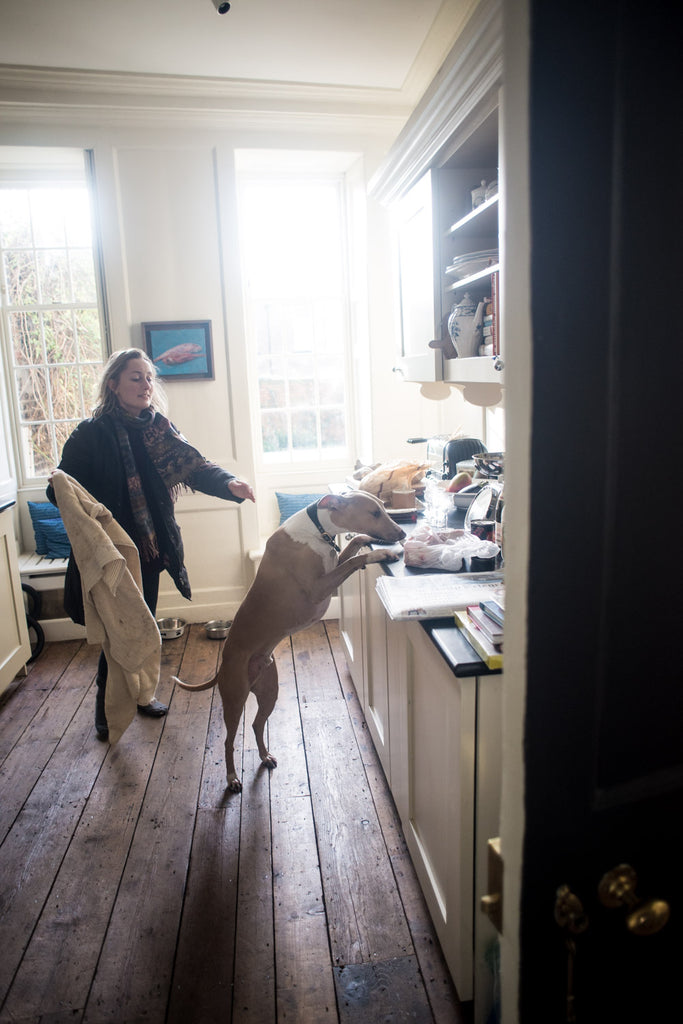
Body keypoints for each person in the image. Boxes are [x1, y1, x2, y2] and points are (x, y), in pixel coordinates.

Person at [47, 347, 255, 740]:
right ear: (114, 384)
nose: (145, 385)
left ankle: (142, 697)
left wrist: (230, 484)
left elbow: (196, 466)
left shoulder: (159, 429)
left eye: (148, 377)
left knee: (143, 628)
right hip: (110, 552)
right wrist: (56, 482)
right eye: (135, 377)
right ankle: (107, 709)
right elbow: (63, 488)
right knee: (116, 635)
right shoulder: (89, 434)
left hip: (149, 548)